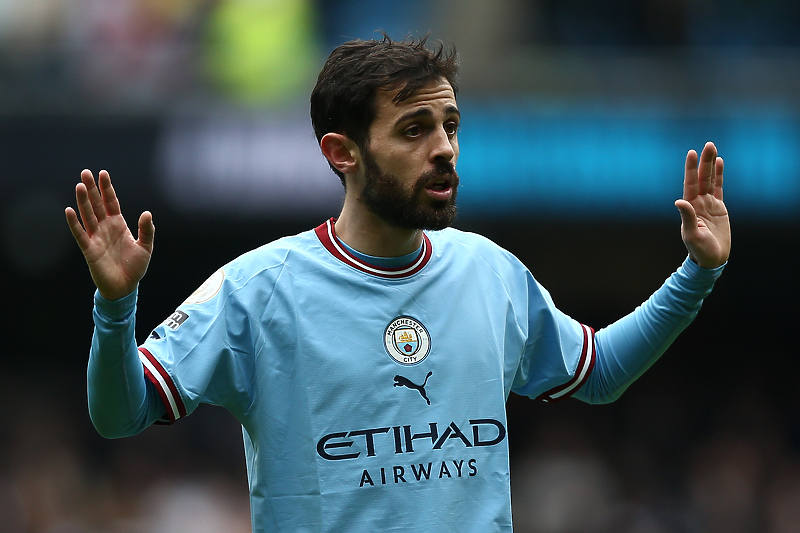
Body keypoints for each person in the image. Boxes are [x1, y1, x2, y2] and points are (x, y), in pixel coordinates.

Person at [65, 35, 731, 532]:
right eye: (414, 130)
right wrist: (116, 305)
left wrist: (697, 272)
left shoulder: (489, 271)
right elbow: (118, 414)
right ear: (341, 152)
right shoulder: (257, 290)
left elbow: (600, 370)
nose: (443, 147)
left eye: (450, 125)